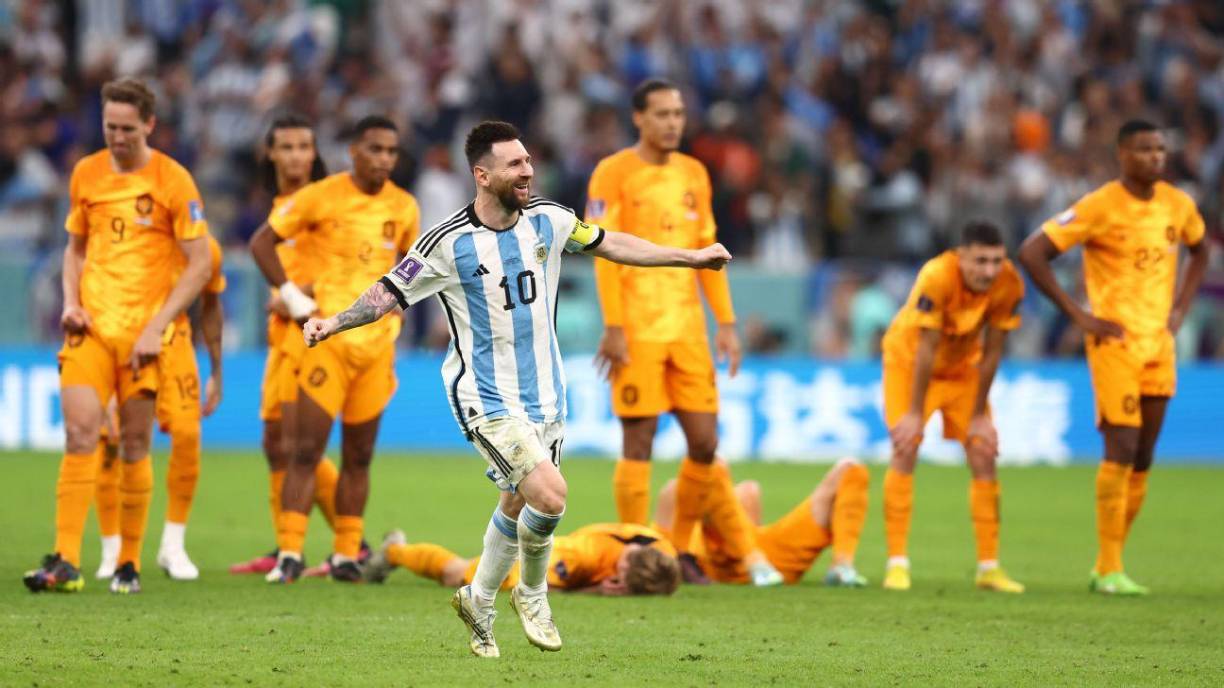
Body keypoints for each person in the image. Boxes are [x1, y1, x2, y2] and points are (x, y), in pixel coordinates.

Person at [300, 121, 731, 657]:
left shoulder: (550, 221)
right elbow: (387, 293)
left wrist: (688, 258)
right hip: (486, 396)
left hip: (547, 395)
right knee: (549, 496)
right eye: (515, 164)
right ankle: (532, 593)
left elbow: (611, 242)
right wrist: (332, 323)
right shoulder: (445, 244)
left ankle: (479, 599)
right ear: (482, 175)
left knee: (515, 501)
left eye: (528, 161)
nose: (528, 171)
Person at [586, 78, 779, 586]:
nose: (673, 122)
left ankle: (679, 549)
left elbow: (709, 252)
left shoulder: (695, 172)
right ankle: (634, 545)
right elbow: (601, 251)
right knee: (639, 440)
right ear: (639, 118)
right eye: (662, 113)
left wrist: (728, 324)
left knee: (704, 442)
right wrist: (613, 326)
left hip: (688, 330)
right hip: (638, 328)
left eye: (678, 113)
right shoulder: (613, 173)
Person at [23, 77, 212, 595]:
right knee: (82, 434)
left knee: (133, 444)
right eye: (110, 126)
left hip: (145, 339)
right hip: (93, 331)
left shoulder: (174, 180)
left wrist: (157, 327)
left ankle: (128, 562)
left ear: (149, 124)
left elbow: (199, 264)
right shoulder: (86, 172)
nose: (118, 137)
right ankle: (65, 559)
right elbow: (75, 249)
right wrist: (70, 303)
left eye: (128, 128)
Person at [1019, 120, 1209, 596]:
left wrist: (1182, 307)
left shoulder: (1178, 204)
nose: (1156, 157)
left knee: (1144, 456)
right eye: (1145, 149)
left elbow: (1201, 250)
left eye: (1161, 148)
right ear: (1123, 154)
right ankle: (1108, 568)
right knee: (1121, 448)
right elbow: (1033, 252)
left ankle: (1111, 563)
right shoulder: (1099, 206)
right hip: (1115, 343)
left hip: (1158, 344)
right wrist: (1078, 315)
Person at [249, 115, 419, 583]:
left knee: (359, 456)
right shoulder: (320, 196)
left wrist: (399, 312)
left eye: (391, 151)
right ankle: (290, 553)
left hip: (375, 348)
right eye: (375, 150)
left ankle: (346, 554)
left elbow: (408, 266)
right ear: (353, 152)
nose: (384, 159)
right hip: (326, 341)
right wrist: (293, 297)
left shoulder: (404, 207)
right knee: (303, 450)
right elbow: (262, 243)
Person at [879, 221, 1026, 593]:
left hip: (962, 371)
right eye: (980, 261)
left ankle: (989, 568)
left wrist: (979, 416)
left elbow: (993, 351)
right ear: (960, 256)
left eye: (996, 261)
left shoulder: (1009, 283)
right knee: (905, 446)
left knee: (983, 453)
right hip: (910, 365)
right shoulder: (936, 276)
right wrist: (914, 413)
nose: (988, 271)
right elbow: (926, 347)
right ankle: (897, 563)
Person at [230, 114, 341, 577]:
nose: (297, 155)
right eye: (287, 147)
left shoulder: (329, 201)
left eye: (304, 146)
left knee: (300, 446)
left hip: (313, 335)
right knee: (274, 442)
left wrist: (297, 294)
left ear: (314, 154)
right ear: (270, 154)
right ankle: (284, 545)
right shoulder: (277, 205)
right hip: (281, 337)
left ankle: (350, 544)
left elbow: (346, 264)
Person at [93, 233, 225, 581]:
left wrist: (217, 371)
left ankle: (173, 544)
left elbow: (212, 306)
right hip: (122, 337)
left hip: (175, 343)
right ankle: (112, 547)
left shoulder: (206, 249)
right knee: (111, 438)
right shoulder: (131, 235)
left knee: (187, 433)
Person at [653, 458, 870, 586]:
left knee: (852, 469)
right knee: (713, 468)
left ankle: (842, 566)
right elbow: (653, 548)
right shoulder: (683, 516)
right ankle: (753, 561)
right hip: (718, 565)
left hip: (770, 558)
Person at [362, 523, 680, 597]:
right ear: (621, 573)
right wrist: (595, 591)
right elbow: (538, 587)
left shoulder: (659, 547)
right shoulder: (580, 557)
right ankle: (394, 553)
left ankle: (397, 551)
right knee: (456, 573)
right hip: (525, 560)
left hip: (542, 538)